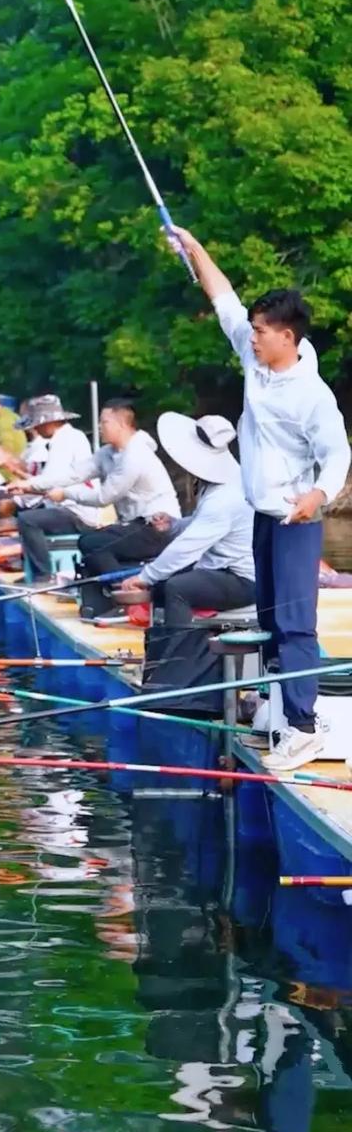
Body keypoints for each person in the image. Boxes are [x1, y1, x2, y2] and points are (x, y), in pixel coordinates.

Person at [172, 226, 351, 771]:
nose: (250, 337)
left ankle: (304, 724)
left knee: (297, 624)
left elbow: (338, 454)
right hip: (263, 517)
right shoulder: (254, 362)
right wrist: (194, 247)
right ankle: (280, 709)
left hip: (297, 521)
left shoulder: (312, 396)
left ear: (287, 338)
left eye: (260, 332)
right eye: (251, 330)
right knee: (272, 620)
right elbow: (221, 296)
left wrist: (317, 494)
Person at [19, 398, 179, 590]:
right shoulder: (107, 453)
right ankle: (110, 592)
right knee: (89, 542)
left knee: (94, 545)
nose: (99, 427)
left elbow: (105, 497)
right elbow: (74, 473)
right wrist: (30, 485)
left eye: (104, 422)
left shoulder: (135, 455)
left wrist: (66, 494)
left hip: (157, 526)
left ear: (121, 424)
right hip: (134, 525)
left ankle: (123, 592)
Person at [115, 413, 256, 624]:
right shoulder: (221, 483)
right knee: (162, 585)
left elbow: (187, 547)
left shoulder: (223, 498)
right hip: (219, 569)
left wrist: (145, 576)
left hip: (243, 580)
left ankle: (178, 653)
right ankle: (160, 642)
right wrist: (174, 525)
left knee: (176, 588)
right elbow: (202, 525)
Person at [10, 396, 93, 579]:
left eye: (38, 425)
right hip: (64, 505)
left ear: (50, 422)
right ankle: (30, 567)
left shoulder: (65, 441)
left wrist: (25, 486)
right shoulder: (67, 438)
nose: (36, 429)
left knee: (27, 520)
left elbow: (50, 480)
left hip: (76, 512)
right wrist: (26, 490)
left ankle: (43, 574)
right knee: (25, 512)